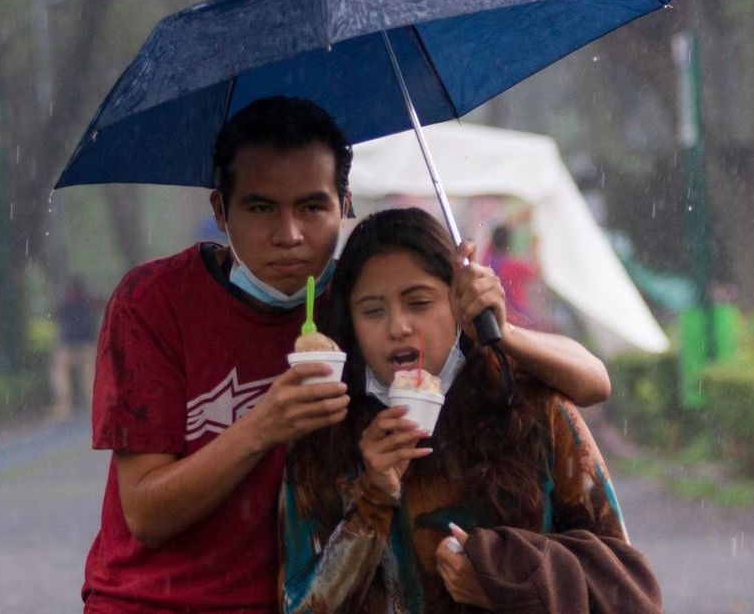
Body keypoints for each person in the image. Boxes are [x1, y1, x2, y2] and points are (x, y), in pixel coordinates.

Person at [83, 96, 611, 612]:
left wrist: (493, 321)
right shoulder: (152, 303)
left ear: (346, 203)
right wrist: (263, 426)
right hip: (148, 599)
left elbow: (589, 383)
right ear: (220, 210)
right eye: (261, 207)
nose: (289, 235)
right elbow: (146, 515)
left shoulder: (362, 304)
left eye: (313, 206)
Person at [281, 208, 660, 613]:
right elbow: (300, 607)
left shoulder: (528, 406)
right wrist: (372, 499)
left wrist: (513, 582)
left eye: (420, 302)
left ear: (459, 303)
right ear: (351, 323)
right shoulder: (323, 438)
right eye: (373, 310)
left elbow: (621, 581)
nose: (398, 327)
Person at [49, 277, 99, 421]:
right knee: (63, 370)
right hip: (74, 345)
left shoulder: (79, 302)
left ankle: (73, 404)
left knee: (88, 374)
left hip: (80, 344)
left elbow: (56, 316)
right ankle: (66, 404)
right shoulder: (79, 302)